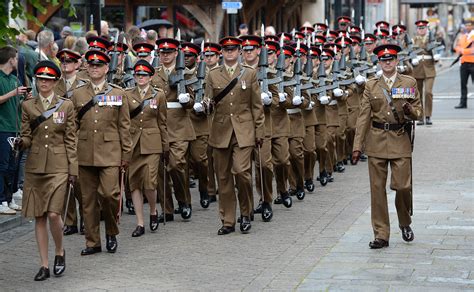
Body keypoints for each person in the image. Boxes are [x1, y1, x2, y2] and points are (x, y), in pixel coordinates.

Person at [352, 44, 422, 249]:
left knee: (402, 186)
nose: (388, 62)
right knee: (377, 190)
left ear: (397, 61)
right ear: (379, 63)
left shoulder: (408, 82)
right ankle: (381, 234)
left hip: (400, 139)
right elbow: (363, 117)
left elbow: (419, 112)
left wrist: (410, 110)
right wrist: (357, 146)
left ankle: (404, 222)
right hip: (376, 141)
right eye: (384, 60)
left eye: (391, 58)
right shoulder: (371, 85)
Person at [16, 60, 77, 280]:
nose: (44, 83)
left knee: (53, 214)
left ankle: (60, 252)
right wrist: (19, 143)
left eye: (48, 79)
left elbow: (71, 139)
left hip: (59, 166)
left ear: (55, 81)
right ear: (36, 81)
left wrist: (74, 169)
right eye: (40, 79)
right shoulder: (28, 105)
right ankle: (43, 265)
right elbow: (26, 135)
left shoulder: (65, 105)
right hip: (35, 167)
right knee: (39, 216)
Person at [71, 50, 132, 256]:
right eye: (91, 65)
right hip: (85, 153)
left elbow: (124, 126)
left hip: (110, 152)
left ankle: (111, 232)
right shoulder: (78, 94)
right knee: (88, 201)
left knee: (110, 195)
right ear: (87, 68)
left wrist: (126, 155)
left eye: (99, 65)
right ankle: (92, 242)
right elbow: (73, 127)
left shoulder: (118, 93)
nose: (95, 68)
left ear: (107, 68)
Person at [205, 36, 265, 235]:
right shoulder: (212, 75)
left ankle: (246, 213)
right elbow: (209, 104)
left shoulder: (248, 74)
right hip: (221, 132)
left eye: (233, 49)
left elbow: (256, 106)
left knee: (241, 172)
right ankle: (228, 220)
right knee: (223, 178)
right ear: (221, 52)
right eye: (226, 49)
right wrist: (205, 105)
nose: (229, 52)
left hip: (243, 132)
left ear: (239, 52)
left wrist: (259, 132)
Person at [125, 60, 168, 237]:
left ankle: (152, 210)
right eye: (137, 75)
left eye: (144, 75)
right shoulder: (127, 94)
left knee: (150, 183)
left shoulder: (158, 95)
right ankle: (140, 222)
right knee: (134, 182)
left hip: (152, 144)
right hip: (133, 144)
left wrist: (166, 146)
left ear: (151, 77)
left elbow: (163, 122)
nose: (140, 78)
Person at [0, 46, 27, 215]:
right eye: (16, 58)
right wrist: (13, 93)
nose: (18, 61)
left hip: (15, 128)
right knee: (2, 166)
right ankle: (1, 200)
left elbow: (19, 105)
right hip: (2, 128)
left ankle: (9, 198)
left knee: (12, 166)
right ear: (11, 59)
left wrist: (25, 99)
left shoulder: (15, 79)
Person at [411, 20, 439, 125]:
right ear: (417, 30)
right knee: (418, 94)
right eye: (419, 28)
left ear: (426, 29)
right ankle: (420, 116)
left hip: (429, 68)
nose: (421, 30)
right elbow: (409, 51)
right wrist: (412, 59)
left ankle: (428, 116)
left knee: (428, 92)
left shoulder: (431, 38)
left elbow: (436, 50)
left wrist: (436, 56)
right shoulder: (413, 40)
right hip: (417, 68)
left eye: (423, 28)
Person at [454, 20, 474, 109]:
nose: (467, 27)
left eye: (469, 25)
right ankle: (463, 103)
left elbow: (472, 50)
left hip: (473, 63)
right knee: (463, 84)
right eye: (466, 25)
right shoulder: (463, 36)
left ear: (473, 26)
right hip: (464, 63)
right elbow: (457, 46)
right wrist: (460, 50)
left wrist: (463, 51)